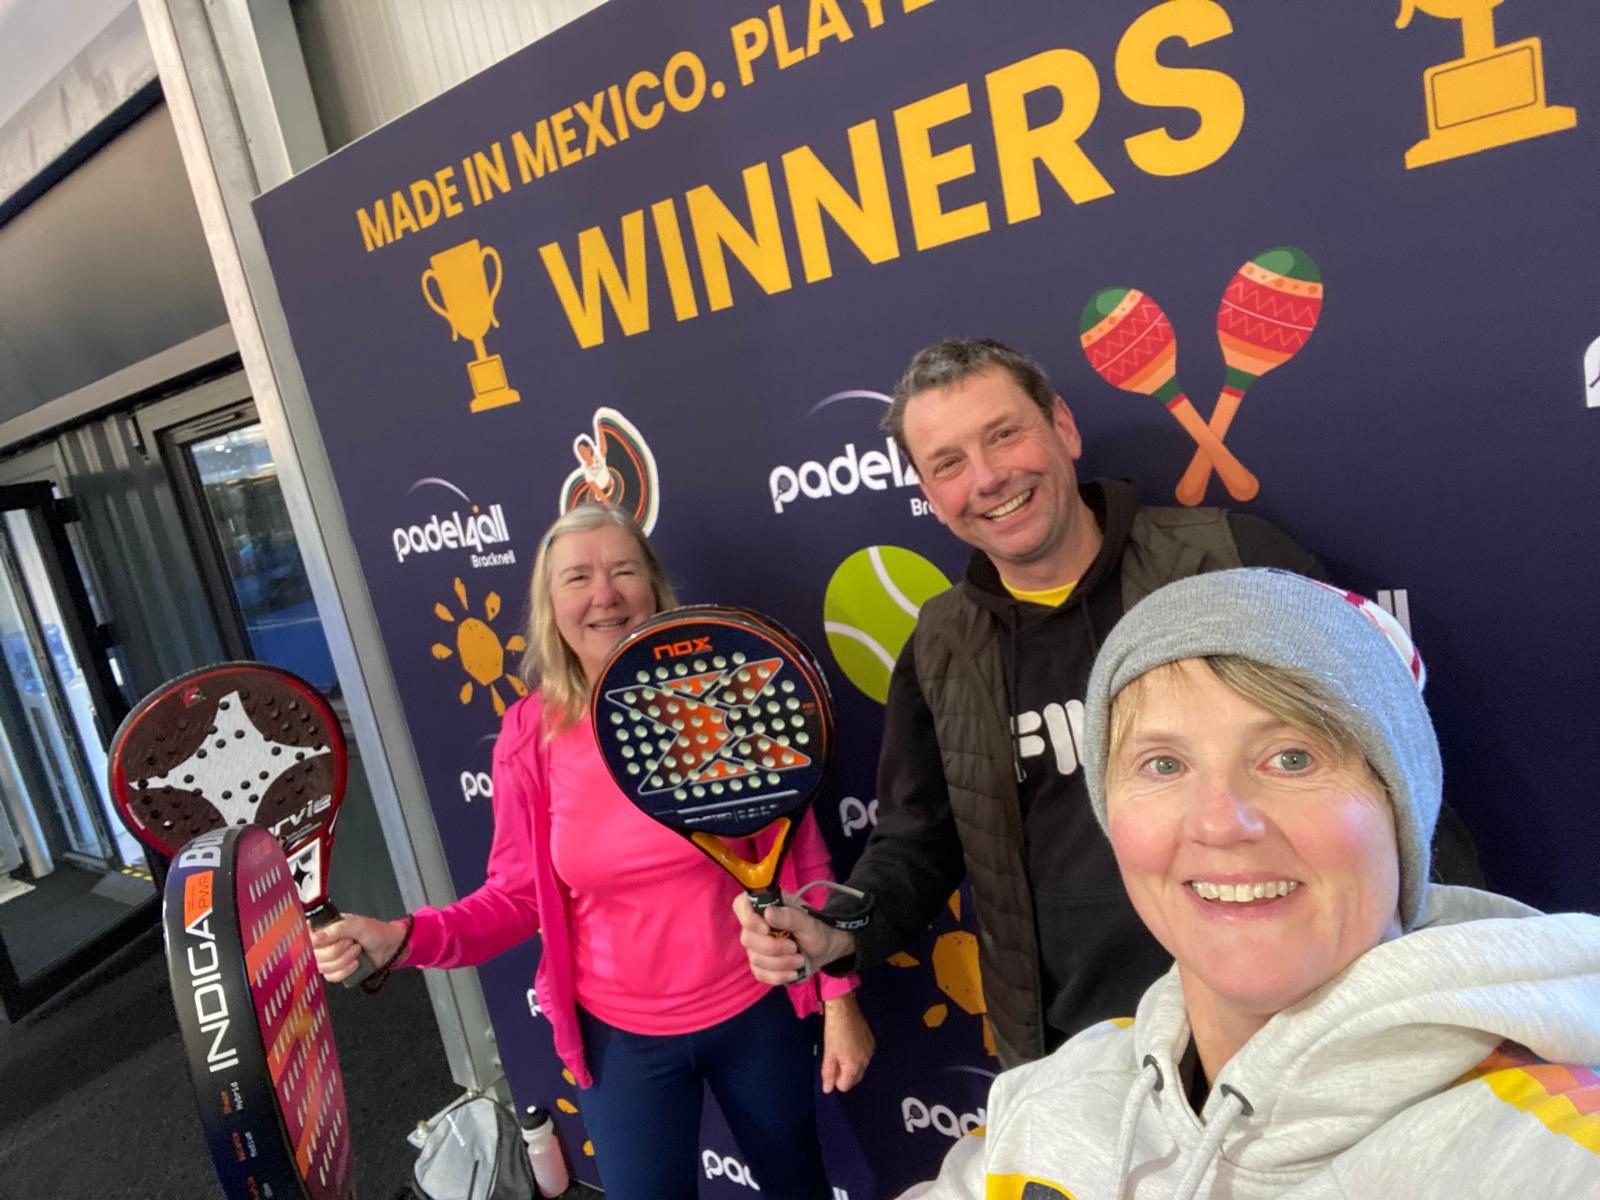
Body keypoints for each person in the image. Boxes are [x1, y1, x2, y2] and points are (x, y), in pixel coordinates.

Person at [901, 568, 1600, 1199]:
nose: (1220, 822)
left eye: (1292, 758)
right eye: (1163, 764)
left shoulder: (1550, 1148)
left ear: (1401, 810)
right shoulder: (1053, 1100)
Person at [738, 337, 1326, 1068]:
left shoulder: (1229, 559)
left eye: (1004, 434)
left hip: (1287, 1021)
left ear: (1064, 428)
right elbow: (917, 844)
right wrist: (840, 930)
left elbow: (1377, 773)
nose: (988, 478)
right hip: (1081, 1059)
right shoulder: (939, 647)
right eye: (948, 463)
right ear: (930, 496)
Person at [313, 503, 873, 1200]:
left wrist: (841, 998)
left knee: (800, 1186)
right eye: (577, 577)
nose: (604, 595)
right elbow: (515, 898)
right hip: (620, 1042)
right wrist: (403, 938)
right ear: (552, 608)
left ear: (654, 589)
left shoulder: (725, 701)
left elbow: (803, 865)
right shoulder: (530, 735)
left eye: (623, 571)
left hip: (755, 1015)